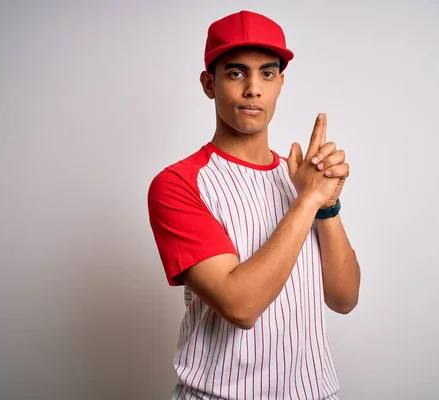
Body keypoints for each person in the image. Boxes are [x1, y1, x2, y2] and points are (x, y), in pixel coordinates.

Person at [148, 10, 361, 399]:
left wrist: (325, 205)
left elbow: (344, 299)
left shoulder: (297, 178)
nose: (253, 89)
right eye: (235, 73)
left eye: (266, 73)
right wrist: (307, 201)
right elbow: (241, 305)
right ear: (208, 84)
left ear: (280, 83)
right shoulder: (178, 184)